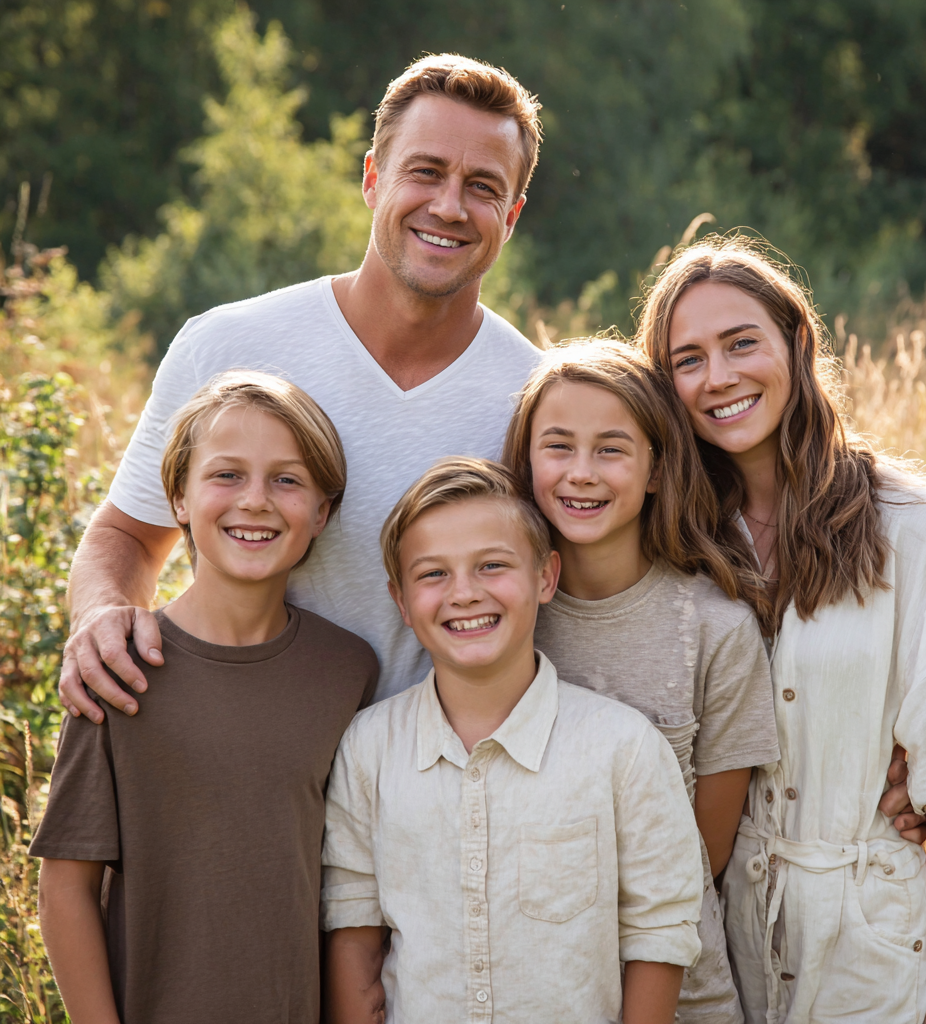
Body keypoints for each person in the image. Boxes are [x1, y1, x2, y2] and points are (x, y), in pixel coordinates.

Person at [59, 53, 544, 722]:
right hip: (243, 766)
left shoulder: (533, 398)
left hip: (432, 796)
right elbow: (129, 537)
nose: (449, 205)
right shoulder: (227, 345)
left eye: (483, 186)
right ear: (372, 179)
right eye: (425, 172)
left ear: (512, 214)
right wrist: (103, 616)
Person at [637, 236, 926, 1024]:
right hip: (723, 940)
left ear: (798, 343)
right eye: (688, 359)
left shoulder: (910, 526)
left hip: (873, 942)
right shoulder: (673, 538)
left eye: (742, 344)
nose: (721, 377)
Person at [30, 372, 379, 1024]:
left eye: (287, 479)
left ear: (322, 512)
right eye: (226, 475)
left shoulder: (347, 670)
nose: (255, 501)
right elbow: (65, 890)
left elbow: (352, 888)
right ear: (179, 500)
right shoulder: (119, 665)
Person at [320, 457, 704, 1024]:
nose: (465, 593)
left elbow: (659, 930)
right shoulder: (368, 748)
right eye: (432, 574)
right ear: (400, 600)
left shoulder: (622, 748)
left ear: (545, 577)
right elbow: (353, 916)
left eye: (492, 566)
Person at [502, 339, 780, 1023]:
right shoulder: (501, 619)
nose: (582, 474)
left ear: (657, 469)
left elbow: (703, 853)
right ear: (525, 460)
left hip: (681, 987)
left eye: (612, 450)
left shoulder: (716, 629)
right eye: (559, 447)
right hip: (527, 974)